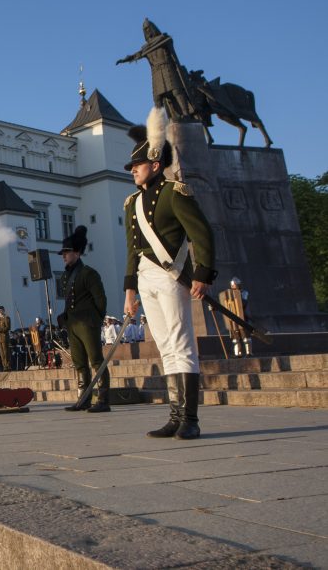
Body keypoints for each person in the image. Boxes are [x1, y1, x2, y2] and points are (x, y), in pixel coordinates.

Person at [122, 120, 216, 440]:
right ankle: (175, 416)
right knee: (164, 347)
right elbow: (132, 250)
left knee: (181, 344)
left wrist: (202, 274)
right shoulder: (131, 204)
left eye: (138, 165)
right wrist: (130, 291)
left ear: (156, 164)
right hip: (146, 279)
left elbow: (201, 232)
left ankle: (190, 418)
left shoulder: (174, 193)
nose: (133, 171)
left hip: (170, 275)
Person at [57, 226, 110, 413]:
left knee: (96, 360)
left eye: (67, 252)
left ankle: (103, 399)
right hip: (73, 324)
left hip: (87, 323)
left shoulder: (89, 273)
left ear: (77, 253)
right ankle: (84, 399)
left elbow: (100, 300)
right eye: (63, 253)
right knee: (79, 363)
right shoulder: (66, 276)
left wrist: (96, 319)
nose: (63, 256)